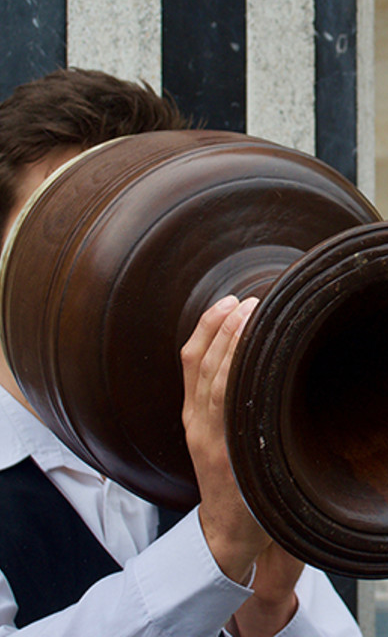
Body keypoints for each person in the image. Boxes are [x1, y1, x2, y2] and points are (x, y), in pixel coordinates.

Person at [0, 68, 361, 637]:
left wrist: (269, 613)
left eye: (132, 224)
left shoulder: (212, 447)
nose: (101, 265)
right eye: (62, 232)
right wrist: (213, 552)